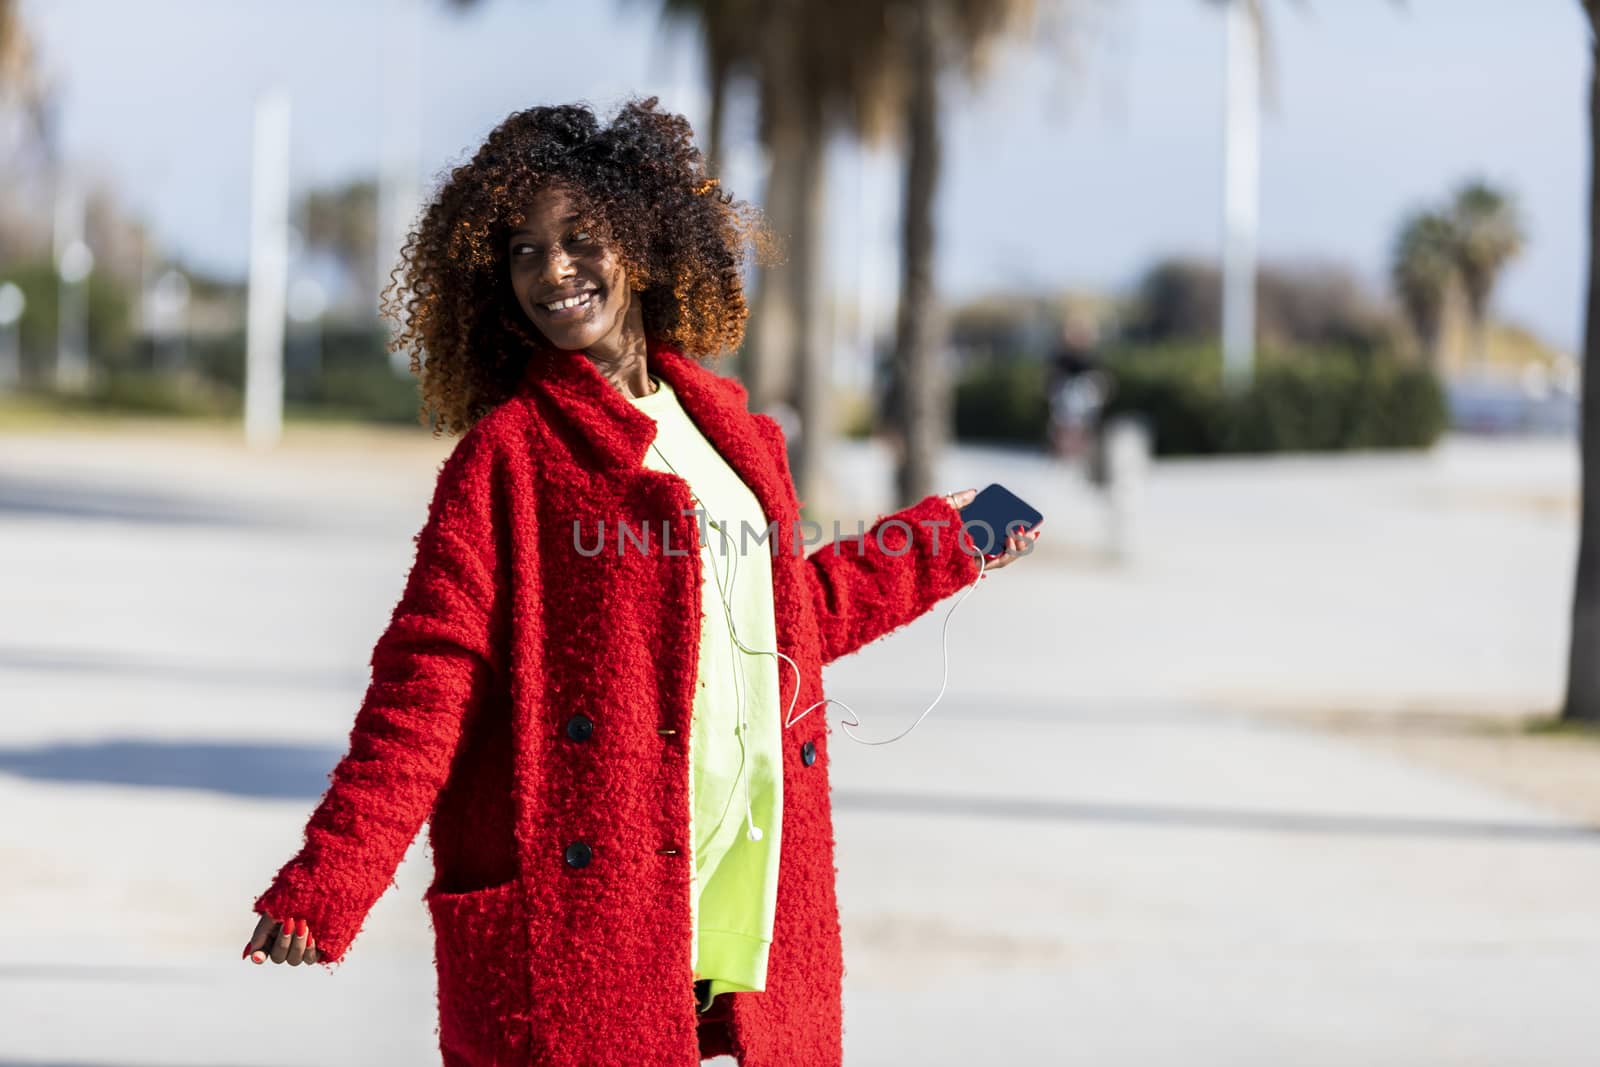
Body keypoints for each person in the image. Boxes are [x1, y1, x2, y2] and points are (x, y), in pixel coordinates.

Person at [239, 97, 1041, 1067]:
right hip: (594, 900)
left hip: (737, 881)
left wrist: (958, 535)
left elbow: (793, 615)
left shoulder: (738, 437)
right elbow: (429, 679)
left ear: (648, 246)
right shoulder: (509, 456)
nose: (553, 270)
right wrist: (334, 872)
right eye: (524, 249)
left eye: (581, 239)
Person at [1046, 315, 1114, 465]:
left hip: (1086, 400)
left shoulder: (1093, 357)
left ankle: (1082, 451)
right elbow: (1053, 380)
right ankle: (1067, 450)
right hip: (1067, 398)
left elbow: (1100, 379)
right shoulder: (1062, 357)